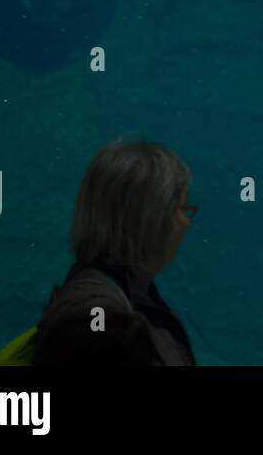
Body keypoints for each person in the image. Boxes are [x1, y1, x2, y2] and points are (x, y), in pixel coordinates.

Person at [33, 138, 197, 365]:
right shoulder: (97, 323)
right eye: (183, 208)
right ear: (150, 217)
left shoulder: (135, 299)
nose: (186, 222)